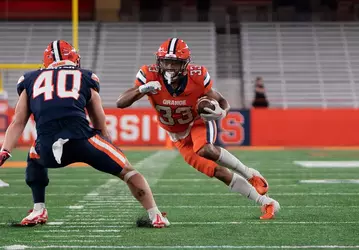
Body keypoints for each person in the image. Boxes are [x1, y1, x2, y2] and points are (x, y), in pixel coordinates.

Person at [0, 40, 169, 228]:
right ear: (74, 59)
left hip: (48, 147)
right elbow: (99, 119)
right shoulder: (85, 76)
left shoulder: (30, 79)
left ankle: (38, 209)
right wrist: (107, 144)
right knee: (128, 171)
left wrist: (5, 150)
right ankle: (155, 215)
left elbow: (18, 122)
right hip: (83, 141)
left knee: (33, 156)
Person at [116, 38, 280, 219]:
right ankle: (267, 203)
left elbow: (221, 100)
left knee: (204, 149)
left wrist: (222, 113)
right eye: (166, 62)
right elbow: (121, 103)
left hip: (197, 122)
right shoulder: (149, 75)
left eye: (175, 63)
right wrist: (142, 90)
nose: (169, 67)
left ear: (185, 64)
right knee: (218, 172)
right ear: (159, 61)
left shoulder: (197, 76)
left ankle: (251, 175)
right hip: (177, 136)